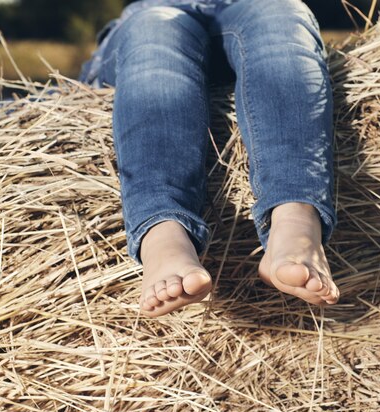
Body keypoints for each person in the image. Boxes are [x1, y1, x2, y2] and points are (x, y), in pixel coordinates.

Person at [79, 0, 340, 318]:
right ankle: (163, 236)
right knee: (155, 34)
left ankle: (296, 221)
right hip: (153, 13)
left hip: (248, 8)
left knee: (282, 15)